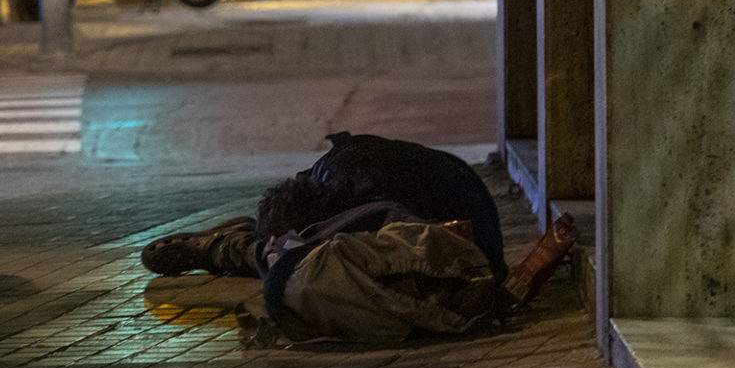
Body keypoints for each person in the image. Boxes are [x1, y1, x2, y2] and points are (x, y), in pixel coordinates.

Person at [142, 132, 507, 283]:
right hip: (487, 252)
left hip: (471, 264)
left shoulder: (363, 202)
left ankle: (232, 249)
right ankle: (239, 239)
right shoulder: (335, 174)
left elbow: (298, 255)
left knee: (300, 263)